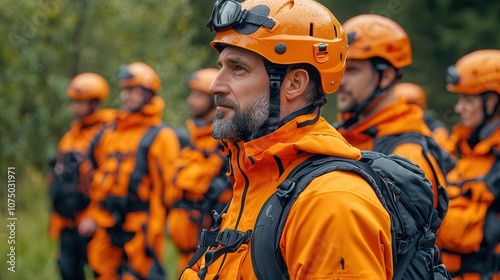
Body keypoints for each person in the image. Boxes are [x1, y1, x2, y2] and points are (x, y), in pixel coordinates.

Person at [180, 0, 393, 279]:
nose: (215, 85)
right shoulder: (256, 176)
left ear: (294, 84)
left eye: (238, 68)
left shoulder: (331, 202)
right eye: (221, 66)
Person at [335, 14, 452, 211]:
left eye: (353, 71)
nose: (340, 81)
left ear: (386, 76)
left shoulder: (408, 156)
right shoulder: (345, 132)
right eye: (341, 69)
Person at [77, 62, 180, 279]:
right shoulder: (110, 131)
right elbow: (99, 177)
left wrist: (154, 232)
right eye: (125, 89)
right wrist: (93, 215)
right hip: (107, 223)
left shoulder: (161, 136)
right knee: (101, 270)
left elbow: (166, 192)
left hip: (140, 227)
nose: (127, 96)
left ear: (149, 94)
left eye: (135, 90)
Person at [436, 49, 500, 279]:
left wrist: (425, 215)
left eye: (468, 100)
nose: (459, 108)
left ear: (492, 102)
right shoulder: (465, 150)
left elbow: (465, 234)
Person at [48, 72, 116, 280]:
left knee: (102, 272)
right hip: (68, 225)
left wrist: (94, 216)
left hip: (91, 223)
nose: (74, 108)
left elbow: (108, 179)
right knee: (67, 270)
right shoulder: (69, 136)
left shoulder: (106, 133)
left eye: (80, 102)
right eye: (73, 102)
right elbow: (58, 178)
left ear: (94, 103)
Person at [165, 68, 232, 276]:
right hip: (183, 248)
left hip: (209, 247)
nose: (190, 101)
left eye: (198, 95)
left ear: (214, 100)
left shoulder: (226, 144)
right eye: (191, 94)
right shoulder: (190, 141)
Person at [394, 82, 451, 147]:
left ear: (422, 108)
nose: (409, 111)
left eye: (413, 106)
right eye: (403, 106)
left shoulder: (436, 130)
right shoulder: (386, 127)